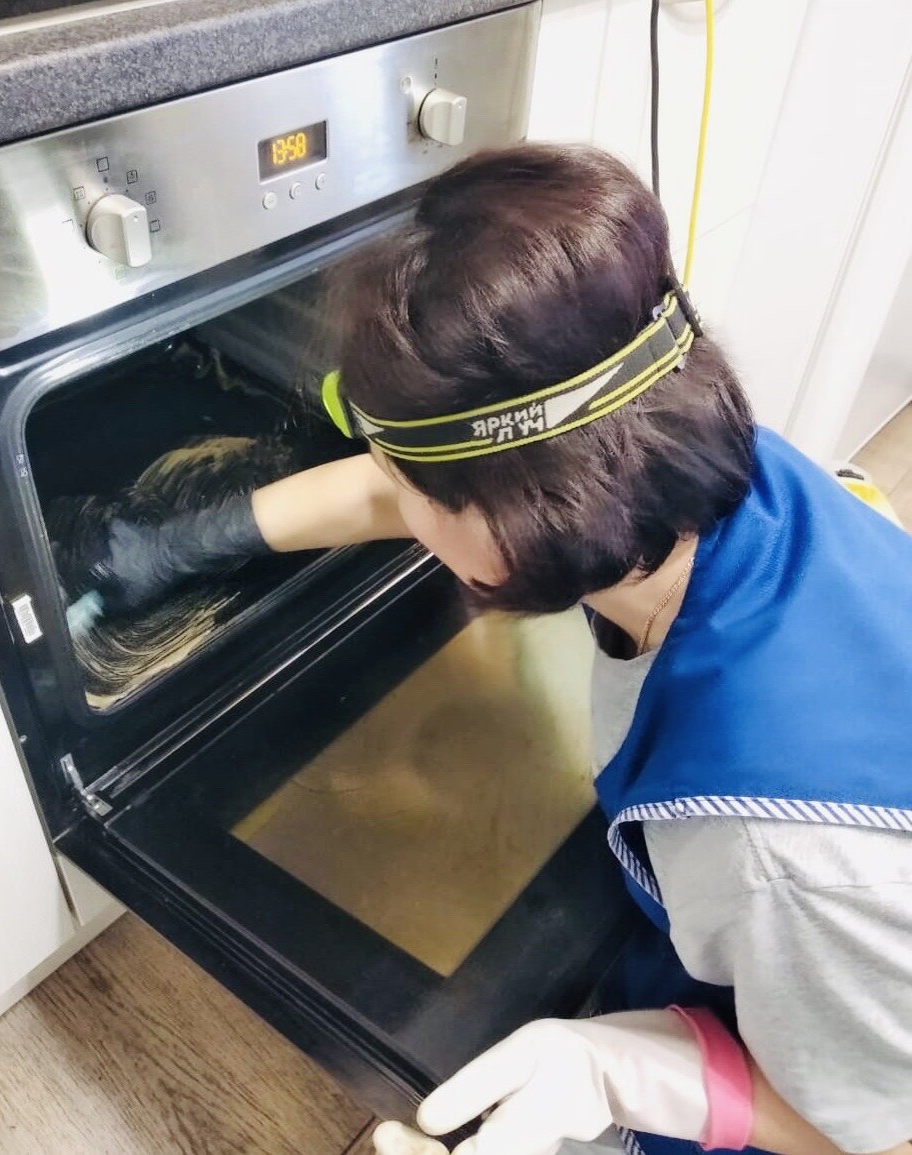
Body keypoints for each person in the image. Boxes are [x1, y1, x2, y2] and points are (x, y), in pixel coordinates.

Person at [74, 144, 912, 1155]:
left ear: (510, 525)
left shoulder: (775, 851)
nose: (389, 494)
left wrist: (633, 1071)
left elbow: (877, 1134)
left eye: (408, 485)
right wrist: (191, 537)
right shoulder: (706, 463)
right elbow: (407, 486)